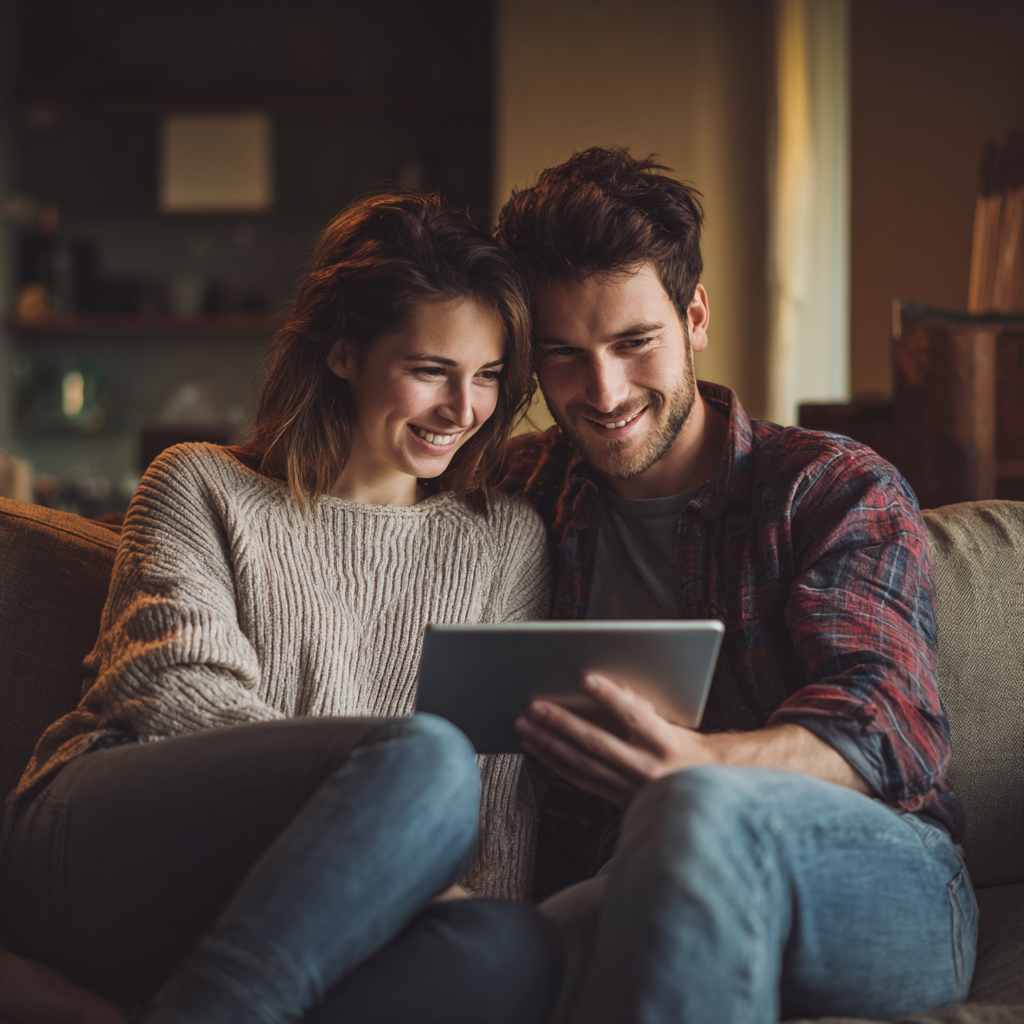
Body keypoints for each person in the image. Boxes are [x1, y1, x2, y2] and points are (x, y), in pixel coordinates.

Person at [0, 191, 559, 1024]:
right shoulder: (199, 482)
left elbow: (499, 784)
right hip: (108, 845)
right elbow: (172, 693)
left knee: (511, 947)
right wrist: (373, 813)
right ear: (342, 353)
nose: (464, 410)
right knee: (423, 759)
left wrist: (433, 890)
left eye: (486, 377)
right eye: (430, 370)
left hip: (312, 907)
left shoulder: (506, 541)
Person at [494, 147, 977, 1024]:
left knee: (694, 810)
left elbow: (887, 722)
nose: (602, 392)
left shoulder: (830, 488)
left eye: (634, 343)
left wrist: (700, 766)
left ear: (696, 317)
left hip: (881, 879)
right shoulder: (519, 489)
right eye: (564, 355)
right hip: (637, 879)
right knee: (496, 952)